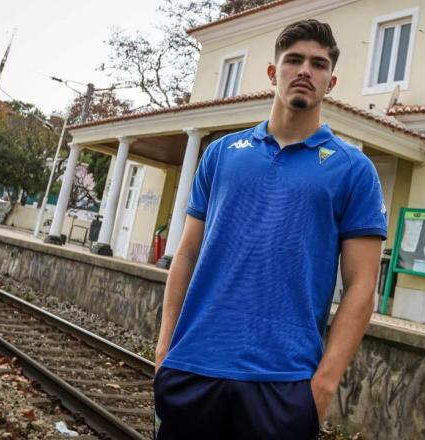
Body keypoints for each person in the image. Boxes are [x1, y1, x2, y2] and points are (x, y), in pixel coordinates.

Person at [154, 19, 387, 439]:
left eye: (318, 64)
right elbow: (186, 254)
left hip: (285, 382)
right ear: (272, 72)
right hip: (194, 366)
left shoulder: (354, 170)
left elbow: (362, 285)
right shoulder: (221, 154)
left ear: (330, 82)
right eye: (293, 59)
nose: (304, 71)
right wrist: (165, 347)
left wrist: (323, 385)